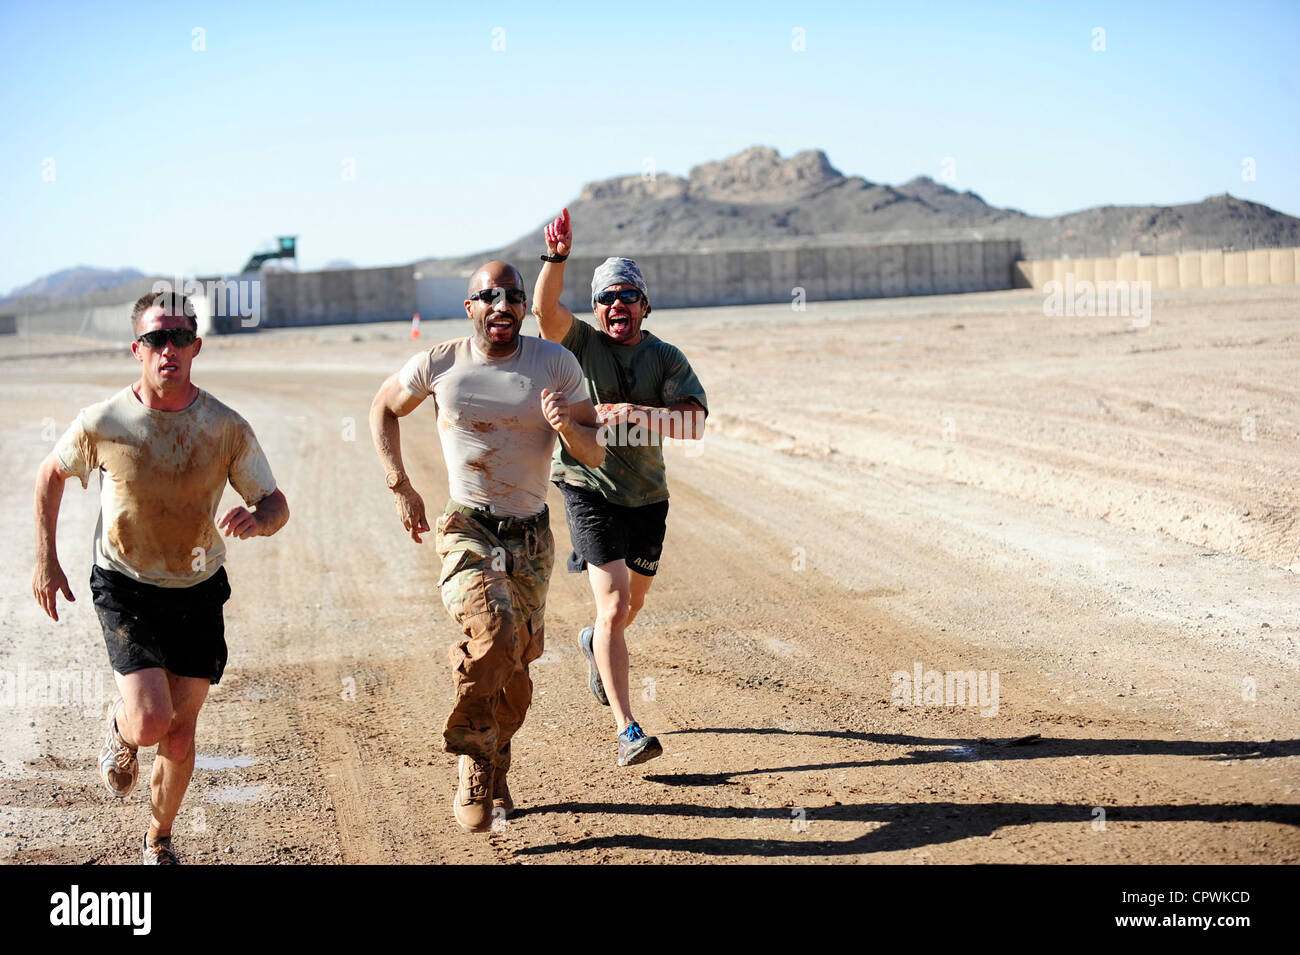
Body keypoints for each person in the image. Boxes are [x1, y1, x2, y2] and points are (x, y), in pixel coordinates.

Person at [31, 291, 289, 865]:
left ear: (196, 346)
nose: (167, 349)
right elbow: (51, 474)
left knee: (180, 733)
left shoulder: (225, 426)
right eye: (155, 338)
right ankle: (122, 731)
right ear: (137, 349)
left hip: (198, 589)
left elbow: (276, 503)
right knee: (152, 720)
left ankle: (159, 839)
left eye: (179, 338)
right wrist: (46, 558)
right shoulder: (104, 421)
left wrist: (259, 517)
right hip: (125, 584)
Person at [369, 261, 604, 832]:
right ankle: (474, 762)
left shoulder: (556, 363)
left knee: (518, 670)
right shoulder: (440, 362)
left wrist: (566, 428)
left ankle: (498, 761)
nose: (503, 306)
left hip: (531, 535)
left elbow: (594, 452)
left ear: (524, 307)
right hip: (467, 527)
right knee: (494, 630)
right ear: (470, 306)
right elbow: (382, 408)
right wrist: (400, 484)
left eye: (513, 297)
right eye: (488, 297)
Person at [533, 208, 708, 768]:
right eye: (607, 298)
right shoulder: (579, 343)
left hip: (647, 495)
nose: (617, 306)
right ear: (596, 308)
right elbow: (543, 309)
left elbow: (693, 424)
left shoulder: (665, 357)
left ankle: (593, 645)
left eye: (628, 296)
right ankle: (627, 728)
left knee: (630, 604)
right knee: (611, 604)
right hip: (587, 485)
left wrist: (634, 411)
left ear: (645, 306)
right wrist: (556, 258)